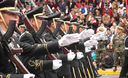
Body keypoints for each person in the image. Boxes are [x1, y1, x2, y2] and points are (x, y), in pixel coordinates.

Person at [0, 0, 35, 78]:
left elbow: (32, 49)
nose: (17, 17)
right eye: (12, 14)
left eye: (17, 14)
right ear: (0, 18)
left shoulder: (14, 38)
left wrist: (58, 43)